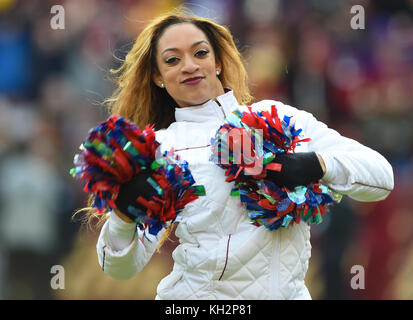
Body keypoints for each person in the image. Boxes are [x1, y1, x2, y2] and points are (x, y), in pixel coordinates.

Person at [87, 9, 394, 300]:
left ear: (218, 61)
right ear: (157, 76)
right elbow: (120, 267)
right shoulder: (161, 150)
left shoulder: (281, 120)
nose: (190, 65)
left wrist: (316, 165)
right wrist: (124, 214)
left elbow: (381, 178)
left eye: (200, 53)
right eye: (172, 60)